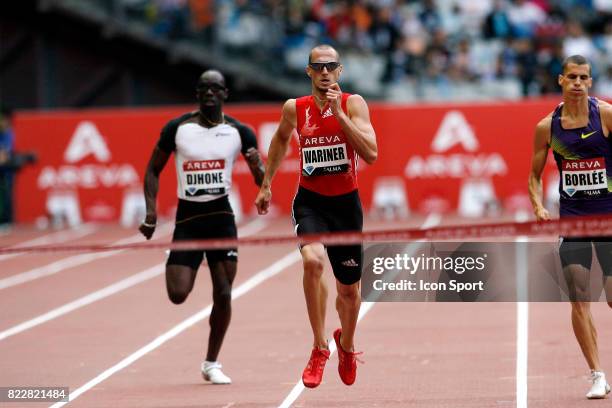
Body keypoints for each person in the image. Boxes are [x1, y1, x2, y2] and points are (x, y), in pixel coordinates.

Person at [255, 44, 377, 388]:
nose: (325, 73)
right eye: (318, 67)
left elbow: (371, 154)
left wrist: (339, 116)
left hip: (345, 207)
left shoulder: (354, 104)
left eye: (331, 67)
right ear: (308, 72)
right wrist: (266, 184)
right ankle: (319, 346)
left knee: (349, 292)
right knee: (312, 261)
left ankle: (347, 346)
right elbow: (279, 140)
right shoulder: (295, 108)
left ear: (340, 71)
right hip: (310, 202)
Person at [139, 70, 264, 384]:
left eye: (215, 88)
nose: (209, 92)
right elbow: (153, 170)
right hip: (188, 221)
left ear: (225, 94)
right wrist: (151, 213)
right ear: (197, 93)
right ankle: (178, 260)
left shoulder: (240, 132)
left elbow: (263, 183)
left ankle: (211, 363)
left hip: (221, 219)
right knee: (178, 294)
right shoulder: (177, 129)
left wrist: (259, 168)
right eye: (204, 88)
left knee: (223, 292)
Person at [528, 54, 612, 399]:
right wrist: (536, 203)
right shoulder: (547, 127)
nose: (578, 82)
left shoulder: (605, 114)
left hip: (608, 219)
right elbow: (534, 176)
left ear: (590, 82)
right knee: (579, 299)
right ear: (560, 80)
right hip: (573, 220)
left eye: (584, 77)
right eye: (572, 77)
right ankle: (597, 374)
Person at [0, 106, 15, 227]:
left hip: (5, 173)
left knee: (6, 196)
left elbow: (3, 157)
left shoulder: (8, 134)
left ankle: (6, 220)